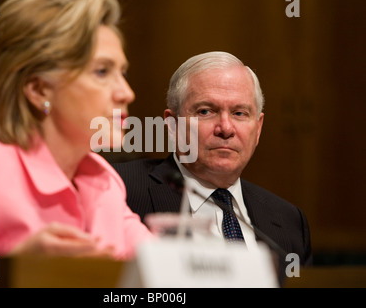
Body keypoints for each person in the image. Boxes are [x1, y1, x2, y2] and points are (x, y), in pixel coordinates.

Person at [0, 0, 152, 259]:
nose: (126, 93)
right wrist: (21, 267)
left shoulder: (104, 178)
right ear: (39, 90)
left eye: (122, 72)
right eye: (102, 71)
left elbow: (163, 266)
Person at [112, 51, 312, 279]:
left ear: (258, 129)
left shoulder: (289, 222)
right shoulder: (118, 190)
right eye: (206, 111)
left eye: (239, 113)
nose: (226, 128)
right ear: (172, 125)